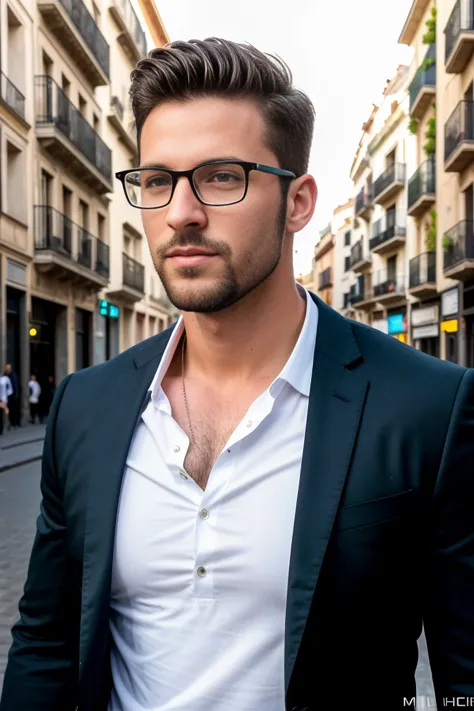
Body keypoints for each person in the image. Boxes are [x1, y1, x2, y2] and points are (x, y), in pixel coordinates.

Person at [1, 38, 473, 711]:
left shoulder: (427, 405)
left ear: (299, 202)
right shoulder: (86, 404)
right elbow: (45, 645)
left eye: (222, 176)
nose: (181, 212)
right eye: (158, 180)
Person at [4, 364, 20, 428]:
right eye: (6, 368)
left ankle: (14, 423)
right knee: (8, 409)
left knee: (13, 410)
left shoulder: (13, 376)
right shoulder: (5, 376)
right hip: (6, 396)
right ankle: (9, 422)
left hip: (13, 396)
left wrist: (16, 395)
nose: (7, 369)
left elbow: (16, 386)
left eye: (8, 368)